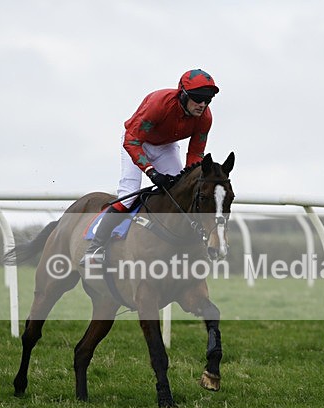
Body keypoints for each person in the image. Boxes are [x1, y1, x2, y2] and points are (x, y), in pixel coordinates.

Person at [81, 68, 220, 265]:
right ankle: (96, 247)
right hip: (137, 142)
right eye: (198, 98)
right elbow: (131, 140)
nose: (203, 104)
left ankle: (179, 246)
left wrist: (190, 180)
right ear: (182, 94)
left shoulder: (205, 117)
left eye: (208, 100)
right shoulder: (159, 105)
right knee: (129, 195)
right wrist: (151, 172)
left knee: (180, 193)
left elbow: (196, 153)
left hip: (166, 147)